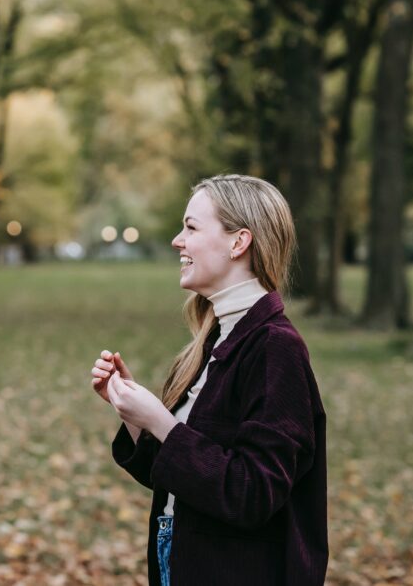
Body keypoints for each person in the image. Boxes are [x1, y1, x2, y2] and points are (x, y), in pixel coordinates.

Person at [90, 174, 327, 585]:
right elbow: (184, 476)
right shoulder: (221, 335)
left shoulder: (273, 347)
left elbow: (253, 494)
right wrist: (135, 415)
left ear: (239, 243)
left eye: (191, 227)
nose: (177, 241)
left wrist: (161, 422)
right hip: (181, 556)